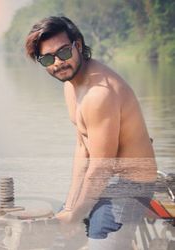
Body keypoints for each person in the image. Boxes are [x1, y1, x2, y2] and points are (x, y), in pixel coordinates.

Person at [25, 16, 157, 249]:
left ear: (78, 44)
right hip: (102, 178)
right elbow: (82, 148)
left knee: (98, 239)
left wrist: (76, 215)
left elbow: (101, 166)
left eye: (64, 52)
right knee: (53, 237)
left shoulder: (99, 94)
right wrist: (71, 207)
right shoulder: (71, 85)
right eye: (47, 58)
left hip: (130, 183)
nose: (58, 63)